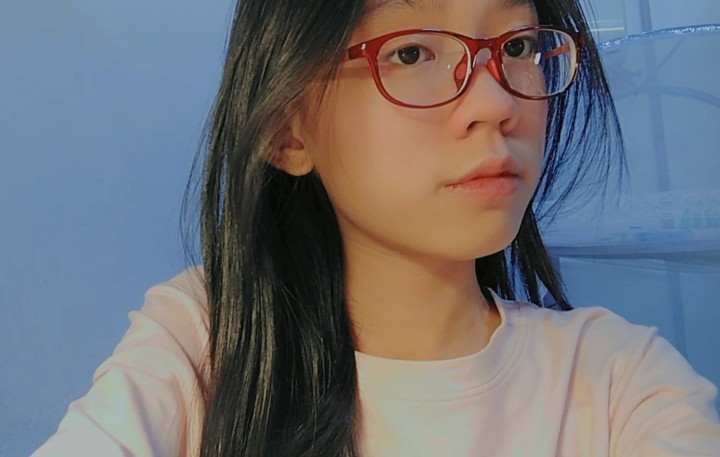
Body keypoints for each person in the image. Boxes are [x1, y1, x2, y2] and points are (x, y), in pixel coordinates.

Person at [31, 0, 720, 455]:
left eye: (518, 44)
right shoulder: (209, 338)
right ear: (286, 128)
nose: (494, 102)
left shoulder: (619, 380)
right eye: (412, 53)